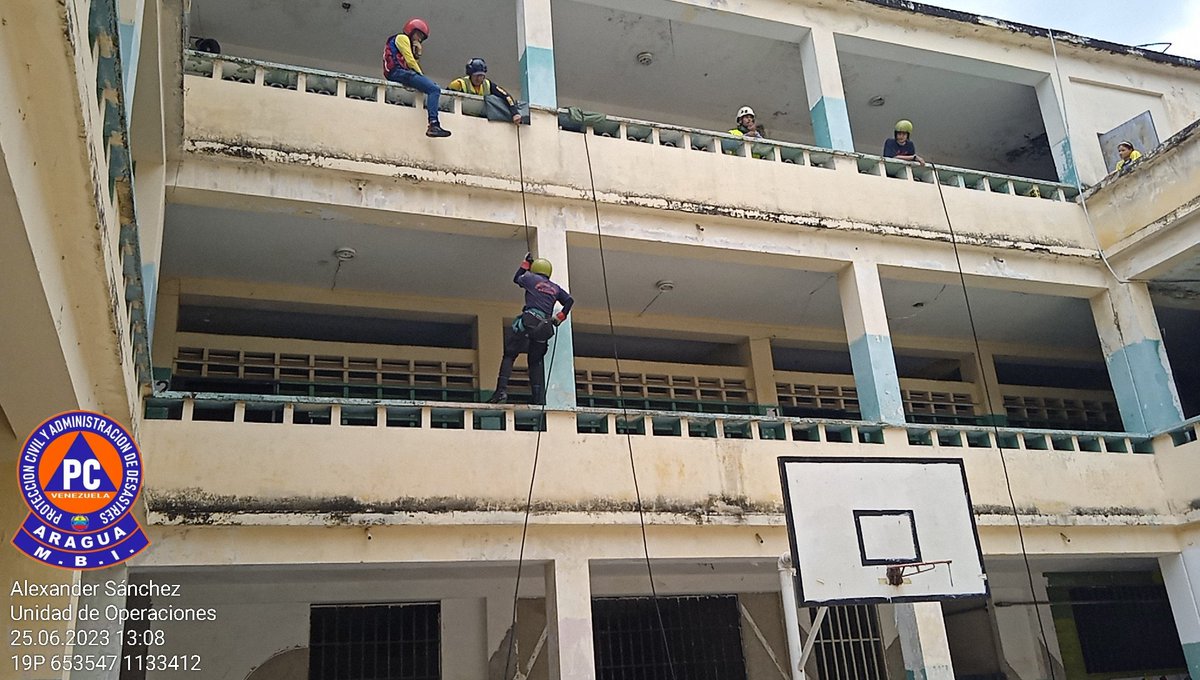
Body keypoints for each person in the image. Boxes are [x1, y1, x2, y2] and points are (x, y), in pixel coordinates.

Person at [488, 253, 574, 405]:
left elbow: (517, 278)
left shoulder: (530, 278)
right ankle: (538, 400)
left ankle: (501, 391)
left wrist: (525, 264)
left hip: (529, 321)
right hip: (544, 327)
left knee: (509, 355)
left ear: (535, 269)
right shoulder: (555, 288)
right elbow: (569, 301)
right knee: (534, 362)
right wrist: (560, 316)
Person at [383, 18, 451, 138]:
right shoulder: (402, 38)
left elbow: (410, 60)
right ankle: (434, 123)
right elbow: (410, 61)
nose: (419, 39)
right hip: (398, 72)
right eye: (418, 34)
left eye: (421, 37)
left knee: (430, 86)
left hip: (399, 73)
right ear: (411, 31)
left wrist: (417, 53)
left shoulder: (403, 41)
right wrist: (421, 77)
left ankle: (433, 124)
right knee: (434, 89)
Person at [449, 58, 522, 123]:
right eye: (476, 76)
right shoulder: (458, 84)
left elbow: (506, 96)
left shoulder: (488, 84)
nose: (479, 79)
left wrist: (515, 113)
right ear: (470, 75)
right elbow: (445, 101)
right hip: (463, 118)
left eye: (481, 76)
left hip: (480, 118)